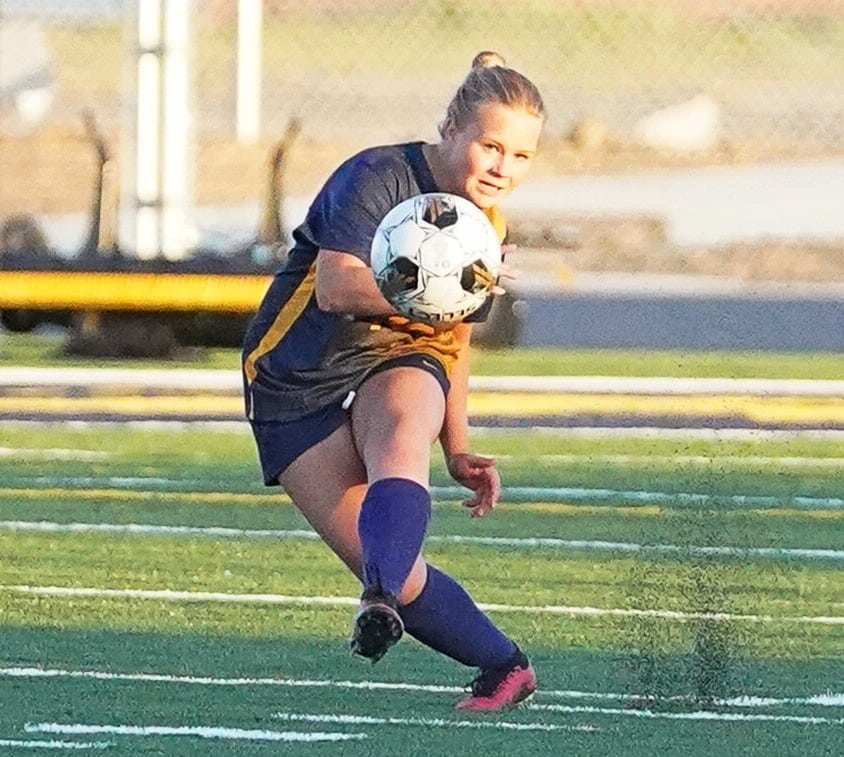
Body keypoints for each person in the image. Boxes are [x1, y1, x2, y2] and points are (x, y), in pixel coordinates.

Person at [242, 51, 546, 711]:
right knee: (397, 566)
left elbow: (454, 339)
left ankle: (376, 602)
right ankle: (502, 662)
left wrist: (458, 444)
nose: (502, 168)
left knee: (405, 435)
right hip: (294, 377)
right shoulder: (378, 176)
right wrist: (439, 285)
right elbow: (335, 287)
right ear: (450, 129)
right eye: (490, 146)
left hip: (398, 357)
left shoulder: (485, 223)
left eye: (521, 156)